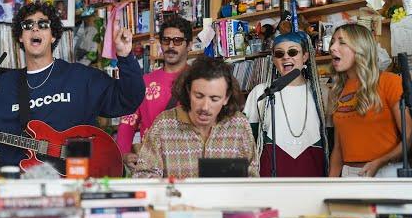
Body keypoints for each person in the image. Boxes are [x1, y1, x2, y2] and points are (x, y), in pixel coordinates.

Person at [0, 0, 145, 172]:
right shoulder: (0, 87)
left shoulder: (80, 77)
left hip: (79, 180)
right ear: (20, 36)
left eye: (43, 24)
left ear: (53, 35)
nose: (34, 28)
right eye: (27, 26)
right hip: (22, 190)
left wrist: (125, 57)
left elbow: (127, 99)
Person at [133, 56, 258, 179]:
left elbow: (252, 178)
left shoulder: (239, 125)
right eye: (199, 96)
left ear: (226, 98)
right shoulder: (164, 124)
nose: (205, 107)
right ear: (188, 91)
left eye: (214, 99)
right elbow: (142, 176)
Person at [328, 23, 412, 177]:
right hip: (349, 174)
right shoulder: (337, 91)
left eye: (342, 42)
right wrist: (330, 184)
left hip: (386, 171)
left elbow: (409, 136)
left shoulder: (389, 82)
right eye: (332, 42)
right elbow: (338, 149)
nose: (333, 47)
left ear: (361, 48)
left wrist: (381, 161)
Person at [244, 31, 330, 177]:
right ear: (273, 60)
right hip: (271, 172)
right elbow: (247, 139)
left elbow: (332, 138)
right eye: (279, 54)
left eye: (292, 52)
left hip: (312, 170)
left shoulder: (322, 92)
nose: (285, 57)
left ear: (305, 56)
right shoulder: (260, 92)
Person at [117, 16, 192, 172]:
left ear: (189, 45)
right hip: (150, 163)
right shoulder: (143, 82)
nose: (171, 45)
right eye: (166, 40)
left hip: (189, 161)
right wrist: (124, 154)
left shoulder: (199, 80)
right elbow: (128, 121)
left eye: (178, 41)